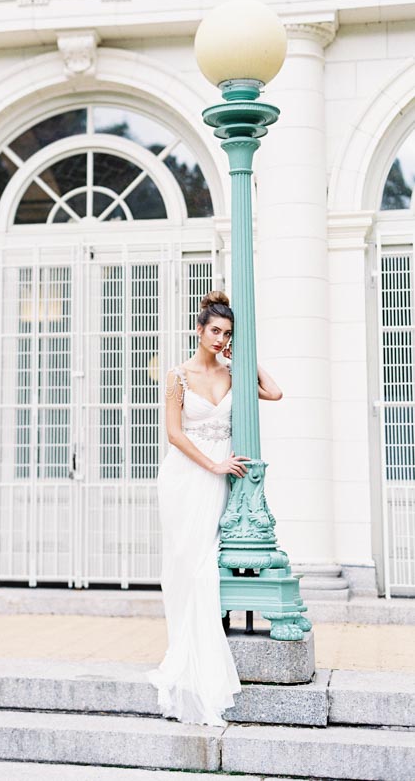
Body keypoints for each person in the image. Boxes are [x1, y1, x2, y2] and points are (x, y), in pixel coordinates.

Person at [146, 290, 282, 726]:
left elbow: (274, 392)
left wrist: (246, 353)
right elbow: (173, 434)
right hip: (187, 475)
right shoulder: (176, 377)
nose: (222, 339)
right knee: (185, 564)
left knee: (208, 560)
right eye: (216, 332)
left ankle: (203, 647)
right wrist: (215, 464)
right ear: (199, 330)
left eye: (228, 334)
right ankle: (185, 647)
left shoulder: (232, 370)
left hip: (219, 476)